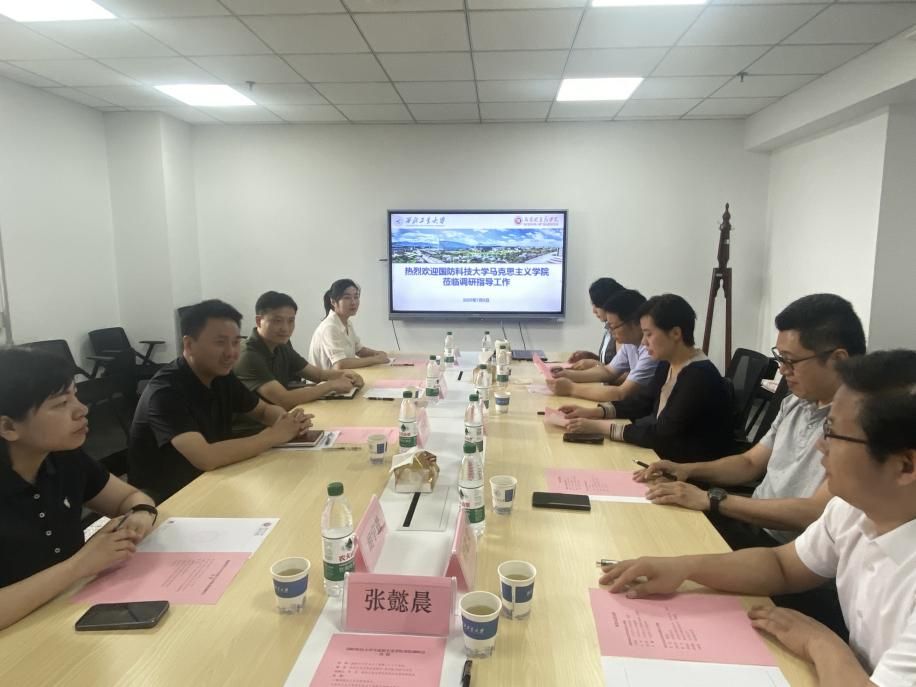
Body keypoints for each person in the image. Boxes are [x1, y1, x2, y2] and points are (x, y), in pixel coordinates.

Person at [600, 349, 916, 687]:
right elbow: (782, 566)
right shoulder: (853, 510)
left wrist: (822, 644)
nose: (820, 446)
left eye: (834, 433)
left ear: (905, 466)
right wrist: (685, 568)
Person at [634, 294, 867, 546]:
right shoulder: (795, 402)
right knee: (648, 518)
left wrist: (713, 500)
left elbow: (813, 512)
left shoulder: (859, 425)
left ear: (838, 360)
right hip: (749, 521)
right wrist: (686, 470)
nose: (782, 370)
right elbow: (749, 463)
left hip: (786, 546)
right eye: (780, 359)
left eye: (790, 360)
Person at [0, 347, 157, 630]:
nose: (82, 409)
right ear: (9, 427)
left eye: (75, 394)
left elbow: (130, 497)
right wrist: (79, 566)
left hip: (70, 613)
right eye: (61, 403)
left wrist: (140, 515)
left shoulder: (63, 457)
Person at [129, 299, 312, 502]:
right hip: (171, 498)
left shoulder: (221, 376)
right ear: (189, 344)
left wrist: (287, 421)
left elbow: (262, 411)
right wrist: (273, 436)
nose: (231, 353)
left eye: (235, 342)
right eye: (220, 342)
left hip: (216, 477)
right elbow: (206, 457)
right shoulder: (164, 392)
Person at [561, 294, 734, 461]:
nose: (644, 342)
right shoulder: (667, 363)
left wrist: (599, 427)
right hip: (663, 454)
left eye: (649, 334)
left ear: (675, 333)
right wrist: (595, 412)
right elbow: (642, 403)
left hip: (686, 467)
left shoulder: (698, 376)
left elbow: (662, 434)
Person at [234, 291, 363, 419]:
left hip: (282, 418)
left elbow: (318, 375)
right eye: (277, 321)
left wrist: (348, 375)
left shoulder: (281, 346)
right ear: (259, 321)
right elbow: (284, 400)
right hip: (255, 427)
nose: (285, 328)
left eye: (291, 321)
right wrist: (331, 385)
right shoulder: (248, 356)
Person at [547, 289, 658, 403]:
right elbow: (608, 371)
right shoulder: (630, 344)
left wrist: (571, 388)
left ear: (635, 323)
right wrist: (567, 374)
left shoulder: (651, 350)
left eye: (613, 327)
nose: (610, 331)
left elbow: (621, 394)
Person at [308, 279, 389, 370]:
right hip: (326, 379)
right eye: (347, 298)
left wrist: (377, 353)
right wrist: (375, 359)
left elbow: (359, 350)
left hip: (343, 376)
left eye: (356, 297)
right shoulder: (330, 327)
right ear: (333, 302)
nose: (353, 302)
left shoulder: (347, 323)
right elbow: (340, 364)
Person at [567, 277, 625, 369]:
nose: (594, 311)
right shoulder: (608, 327)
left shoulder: (622, 331)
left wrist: (595, 365)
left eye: (596, 305)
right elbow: (610, 363)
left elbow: (620, 372)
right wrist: (590, 357)